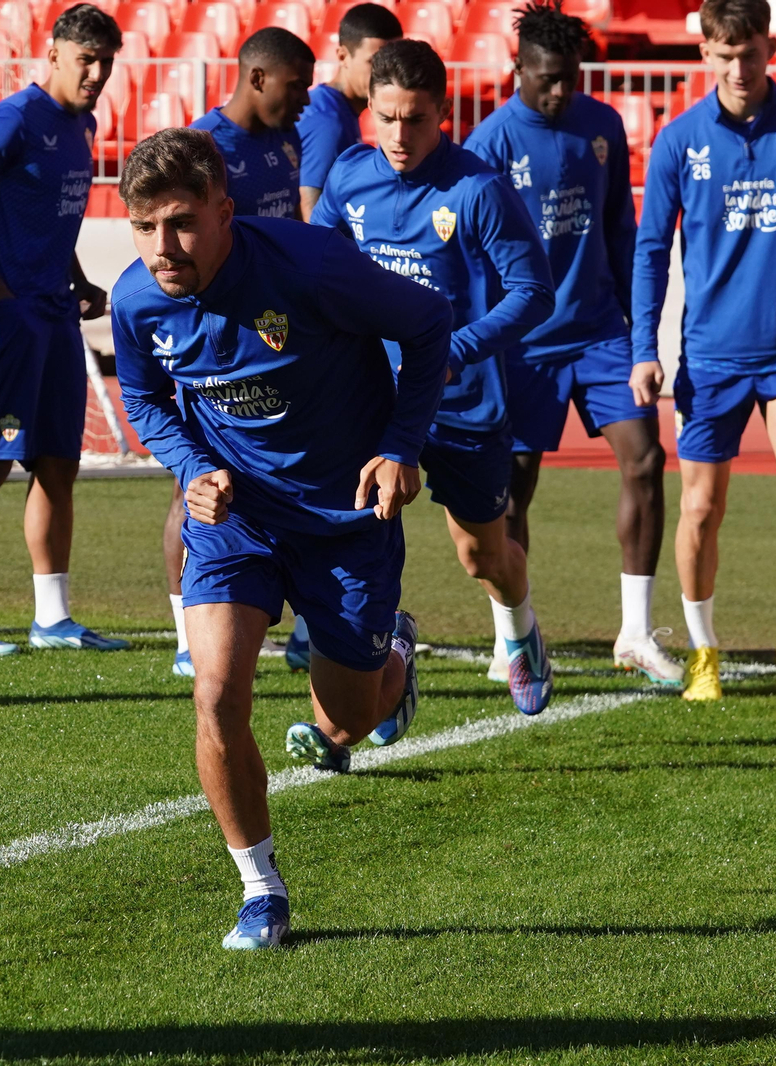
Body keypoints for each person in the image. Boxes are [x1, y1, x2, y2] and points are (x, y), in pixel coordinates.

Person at [112, 127, 451, 949]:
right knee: (216, 694)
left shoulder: (310, 265)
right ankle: (260, 890)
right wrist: (194, 465)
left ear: (225, 212)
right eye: (146, 227)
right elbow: (145, 395)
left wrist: (401, 447)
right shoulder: (136, 298)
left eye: (183, 224)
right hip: (240, 525)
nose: (165, 247)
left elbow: (429, 322)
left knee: (347, 719)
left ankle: (392, 665)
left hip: (345, 522)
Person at [313, 39, 558, 714]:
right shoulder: (348, 177)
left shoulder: (476, 189)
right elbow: (318, 267)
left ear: (442, 112)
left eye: (414, 119)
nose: (398, 135)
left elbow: (534, 291)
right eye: (385, 117)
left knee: (482, 556)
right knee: (360, 541)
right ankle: (380, 676)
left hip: (462, 406)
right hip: (372, 401)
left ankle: (520, 630)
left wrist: (456, 347)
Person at [632, 0, 776, 701]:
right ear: (703, 53)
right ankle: (703, 651)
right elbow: (649, 252)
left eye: (749, 53)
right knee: (699, 509)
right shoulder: (677, 141)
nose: (737, 68)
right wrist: (646, 346)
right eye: (723, 55)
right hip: (711, 357)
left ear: (771, 46)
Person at [462, 0, 682, 687]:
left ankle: (636, 633)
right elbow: (471, 261)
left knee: (645, 460)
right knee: (512, 492)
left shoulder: (604, 127)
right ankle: (510, 638)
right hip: (521, 345)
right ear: (518, 69)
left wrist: (638, 336)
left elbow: (623, 234)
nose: (560, 91)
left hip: (597, 333)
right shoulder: (487, 147)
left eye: (571, 77)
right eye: (547, 78)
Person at [0, 3, 125, 656]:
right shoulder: (14, 118)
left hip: (57, 318)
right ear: (55, 55)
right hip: (10, 325)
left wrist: (78, 278)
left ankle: (52, 618)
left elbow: (46, 216)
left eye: (106, 62)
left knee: (58, 464)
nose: (96, 73)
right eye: (85, 59)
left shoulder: (81, 124)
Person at [177, 26, 314, 674]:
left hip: (285, 337)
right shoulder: (204, 146)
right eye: (297, 85)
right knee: (198, 481)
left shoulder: (287, 139)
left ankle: (311, 623)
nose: (307, 98)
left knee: (302, 469)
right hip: (219, 342)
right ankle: (187, 633)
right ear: (258, 78)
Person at [296, 2, 401, 221]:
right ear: (343, 56)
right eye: (374, 62)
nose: (386, 72)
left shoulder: (341, 110)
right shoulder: (327, 121)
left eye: (393, 62)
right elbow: (310, 210)